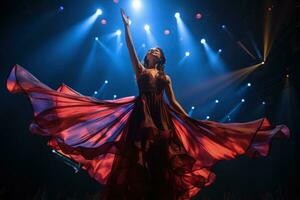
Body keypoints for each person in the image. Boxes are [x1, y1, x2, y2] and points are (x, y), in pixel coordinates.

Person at [6, 8, 290, 200]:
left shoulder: (165, 77)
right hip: (140, 118)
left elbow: (175, 103)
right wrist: (127, 28)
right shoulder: (141, 72)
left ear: (161, 59)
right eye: (151, 50)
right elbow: (130, 49)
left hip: (162, 119)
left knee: (160, 162)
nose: (152, 50)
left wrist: (189, 120)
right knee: (138, 158)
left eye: (157, 50)